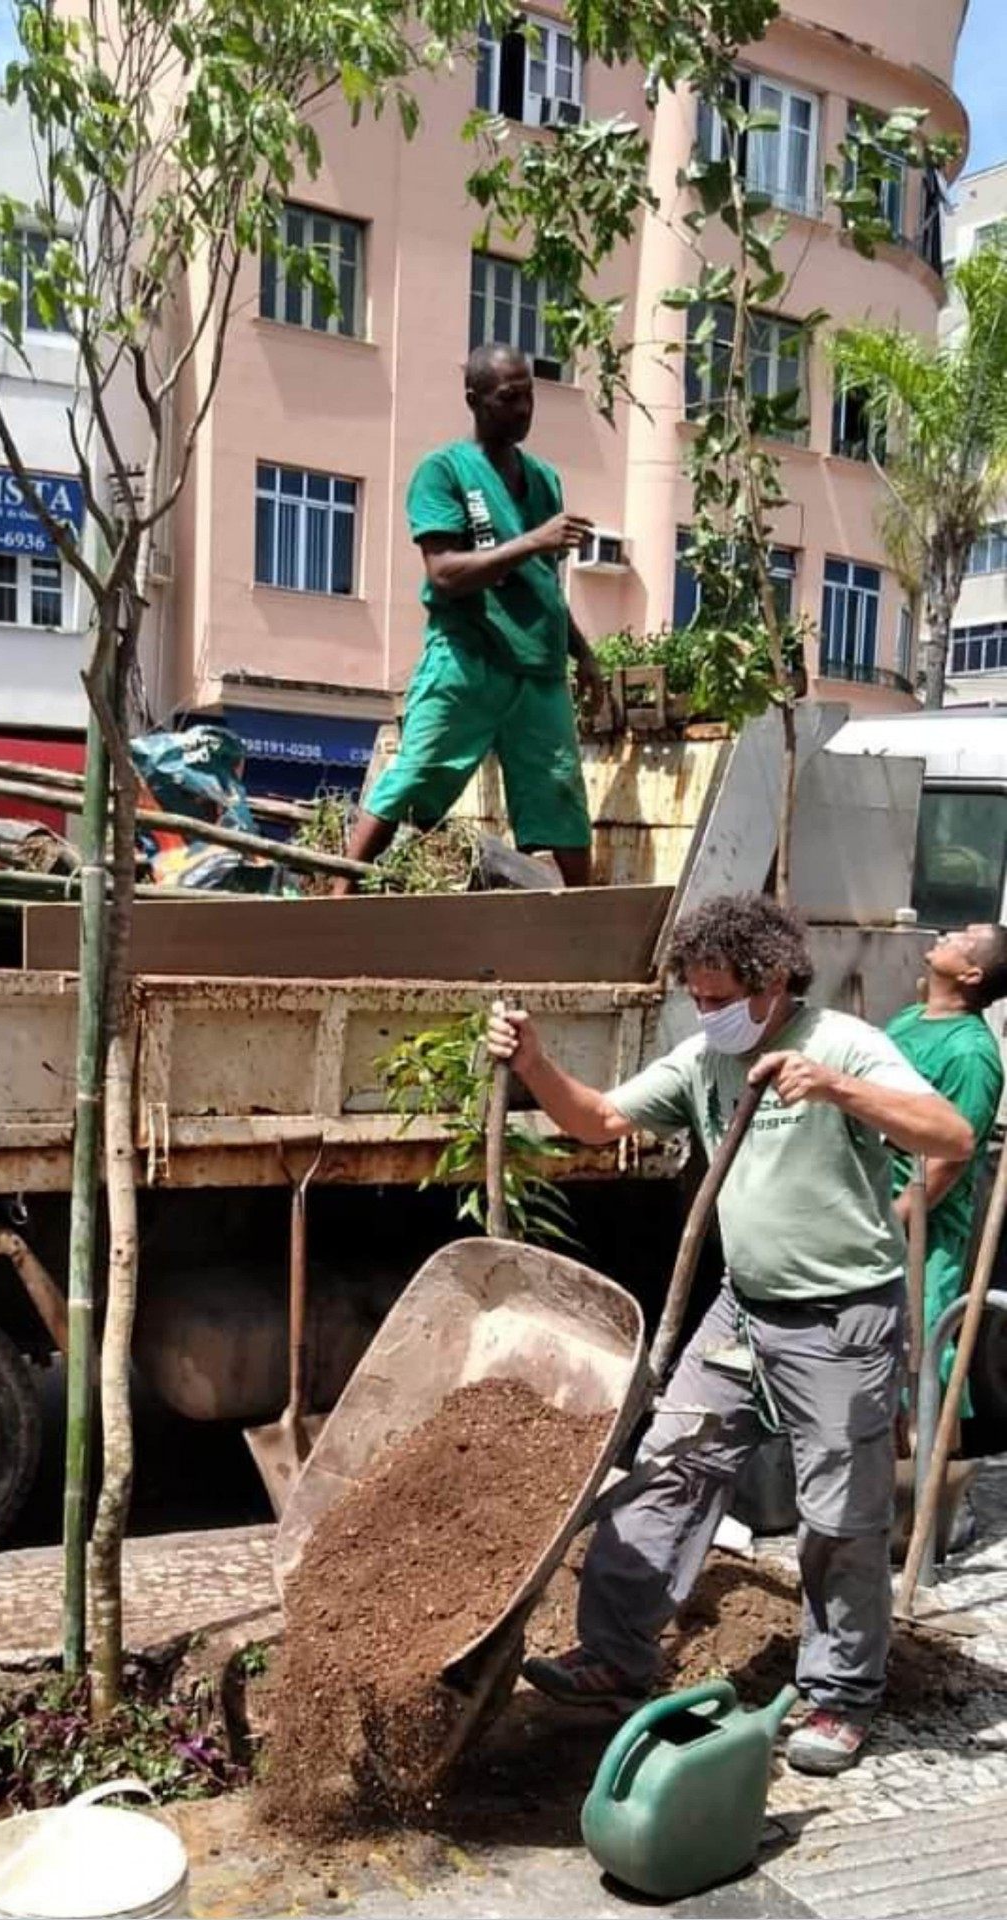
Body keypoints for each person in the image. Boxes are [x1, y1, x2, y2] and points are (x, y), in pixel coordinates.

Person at [487, 893, 973, 1776]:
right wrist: (535, 1062)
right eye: (696, 996)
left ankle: (837, 1697)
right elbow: (596, 1120)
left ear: (776, 981)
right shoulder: (702, 1058)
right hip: (742, 1311)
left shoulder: (842, 1044)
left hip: (840, 1320)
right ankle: (614, 1655)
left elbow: (951, 1133)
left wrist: (834, 1090)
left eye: (718, 997)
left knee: (837, 1519)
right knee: (665, 1472)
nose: (704, 1012)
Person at [333, 343, 604, 895]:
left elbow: (545, 586)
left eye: (529, 394)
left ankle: (585, 920)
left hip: (539, 672)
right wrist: (533, 540)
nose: (524, 408)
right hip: (467, 659)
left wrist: (584, 654)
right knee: (414, 774)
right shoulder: (444, 471)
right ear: (475, 400)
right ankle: (340, 893)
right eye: (510, 397)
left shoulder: (545, 479)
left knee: (560, 796)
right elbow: (446, 573)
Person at [886, 924, 1007, 1456]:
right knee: (886, 1356)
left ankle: (938, 1496)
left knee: (926, 1355)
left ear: (972, 973)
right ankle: (894, 1486)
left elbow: (948, 1160)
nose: (950, 933)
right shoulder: (909, 1020)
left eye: (966, 936)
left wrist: (897, 1218)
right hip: (877, 1207)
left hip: (923, 1227)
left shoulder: (972, 1054)